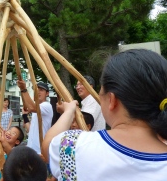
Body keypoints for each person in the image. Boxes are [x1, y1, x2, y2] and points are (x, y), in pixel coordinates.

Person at [42, 49, 167, 181]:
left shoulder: (75, 147)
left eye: (101, 91)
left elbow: (48, 145)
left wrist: (68, 111)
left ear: (112, 100)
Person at [17, 80, 53, 154]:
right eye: (36, 90)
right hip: (31, 150)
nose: (38, 92)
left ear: (47, 93)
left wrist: (23, 89)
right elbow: (31, 129)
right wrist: (24, 116)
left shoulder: (47, 106)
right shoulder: (37, 109)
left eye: (41, 90)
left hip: (40, 151)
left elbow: (31, 107)